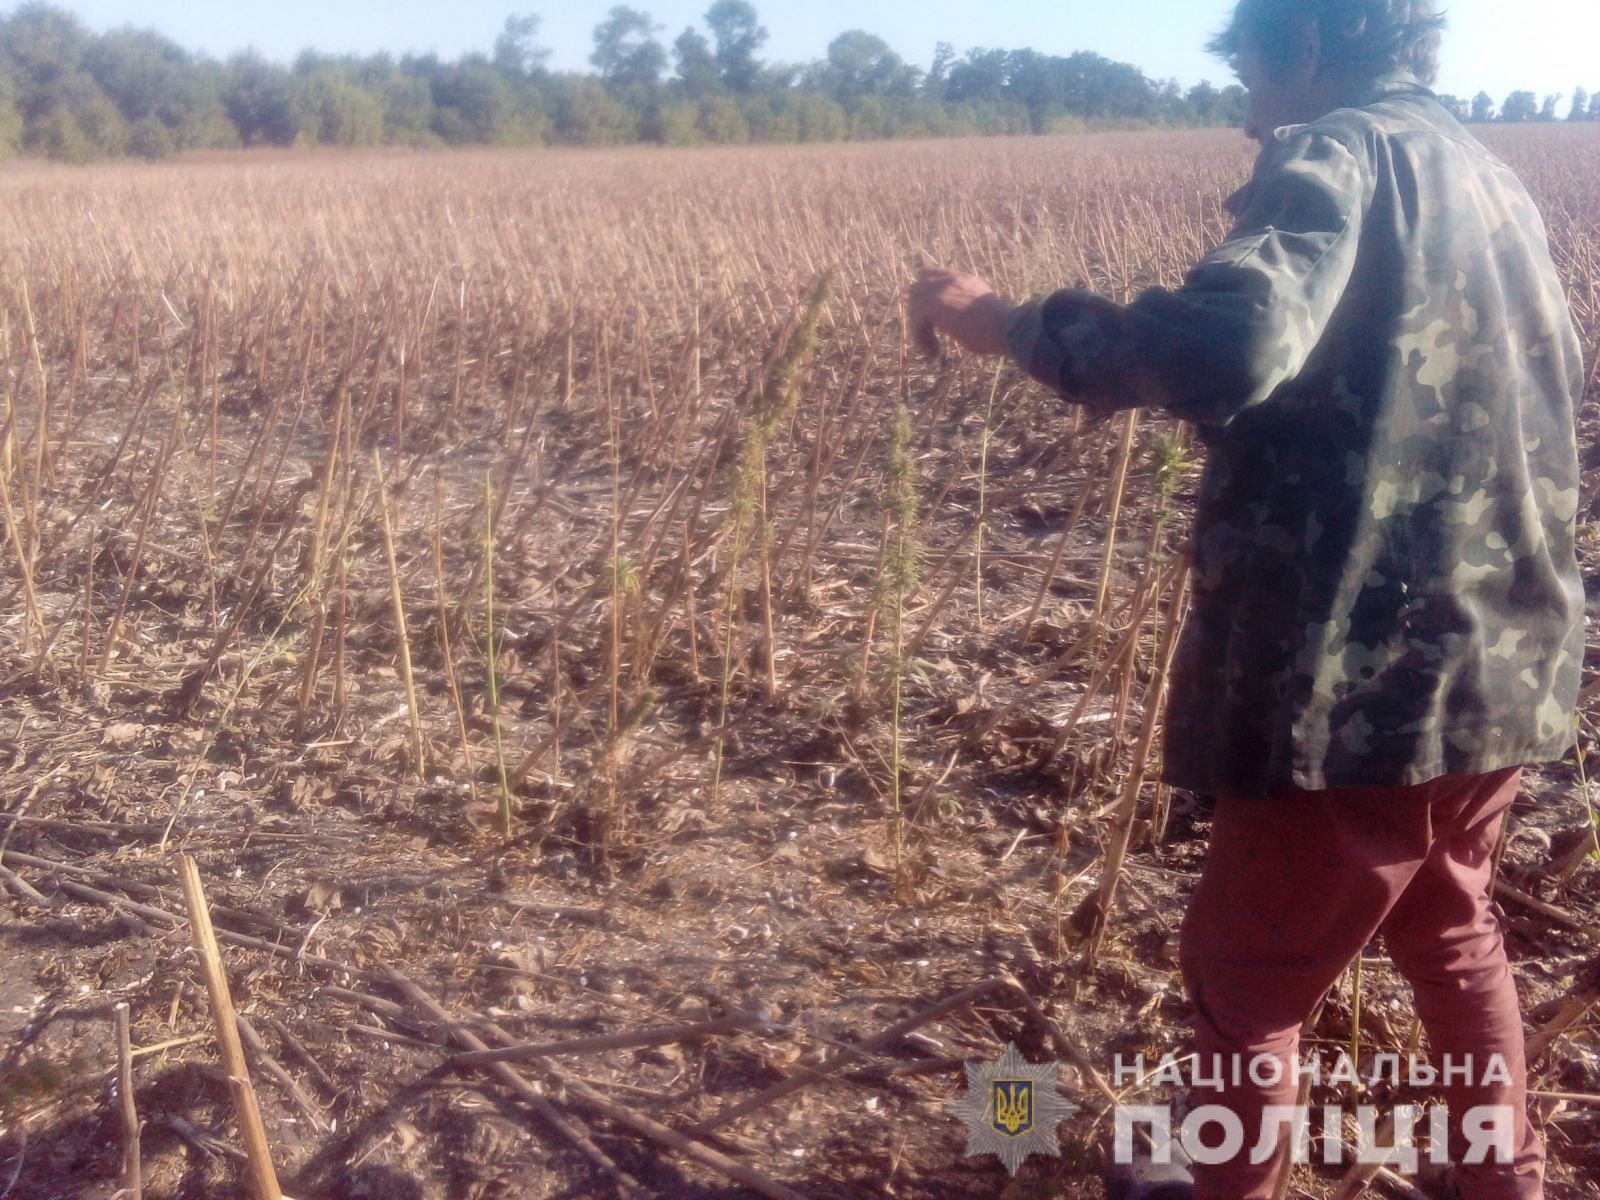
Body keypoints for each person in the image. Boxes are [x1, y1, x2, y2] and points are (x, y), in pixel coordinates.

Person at [908, 1, 1585, 1197]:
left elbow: (1235, 343)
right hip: (1499, 664)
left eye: (1248, 68)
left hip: (1359, 688)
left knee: (1243, 989)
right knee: (1451, 931)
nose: (1240, 106)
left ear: (1311, 48)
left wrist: (1009, 323)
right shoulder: (1494, 183)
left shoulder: (1335, 147)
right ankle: (1505, 1182)